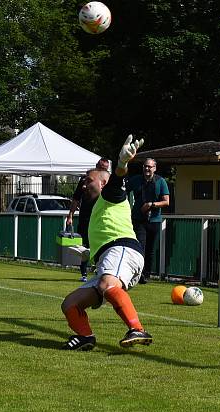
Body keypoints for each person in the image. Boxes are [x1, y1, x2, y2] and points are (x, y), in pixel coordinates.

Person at [60, 135, 152, 350]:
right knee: (70, 304)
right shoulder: (95, 209)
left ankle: (137, 328)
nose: (83, 184)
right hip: (109, 257)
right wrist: (88, 253)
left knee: (107, 285)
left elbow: (118, 179)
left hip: (123, 249)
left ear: (103, 183)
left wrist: (121, 163)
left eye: (88, 180)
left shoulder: (111, 194)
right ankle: (85, 337)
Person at [66, 158, 110, 281]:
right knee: (84, 246)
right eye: (100, 167)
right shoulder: (85, 180)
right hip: (85, 217)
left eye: (105, 169)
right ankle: (84, 273)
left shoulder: (108, 182)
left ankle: (100, 270)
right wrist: (70, 215)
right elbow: (76, 199)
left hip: (101, 218)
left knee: (100, 245)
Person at [127, 157, 170, 283]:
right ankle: (138, 273)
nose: (147, 168)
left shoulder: (160, 181)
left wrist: (152, 205)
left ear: (154, 168)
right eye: (145, 166)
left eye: (150, 166)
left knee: (150, 249)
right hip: (139, 219)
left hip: (154, 220)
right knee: (140, 246)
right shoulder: (135, 180)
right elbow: (122, 192)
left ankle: (147, 274)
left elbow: (166, 202)